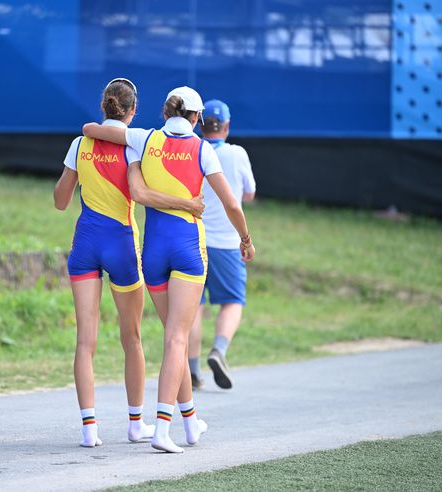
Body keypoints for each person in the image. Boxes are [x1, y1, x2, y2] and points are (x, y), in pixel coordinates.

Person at [83, 86, 255, 453]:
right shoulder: (203, 149)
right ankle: (163, 429)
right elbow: (232, 204)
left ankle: (190, 421)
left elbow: (94, 130)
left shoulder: (144, 139)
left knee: (173, 337)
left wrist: (94, 129)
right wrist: (245, 238)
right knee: (176, 339)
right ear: (196, 118)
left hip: (154, 253)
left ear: (164, 113)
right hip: (188, 249)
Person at [54, 78, 205, 447]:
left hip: (85, 243)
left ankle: (89, 430)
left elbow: (60, 201)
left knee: (84, 342)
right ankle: (136, 423)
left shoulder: (79, 143)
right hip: (122, 245)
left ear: (103, 105)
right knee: (132, 338)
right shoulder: (136, 147)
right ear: (133, 110)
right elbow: (139, 193)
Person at [188, 100, 256, 391]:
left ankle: (192, 370)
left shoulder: (192, 150)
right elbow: (250, 194)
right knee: (231, 301)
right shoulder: (237, 153)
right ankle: (218, 351)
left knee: (193, 307)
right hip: (227, 243)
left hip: (193, 239)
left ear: (200, 125)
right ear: (227, 127)